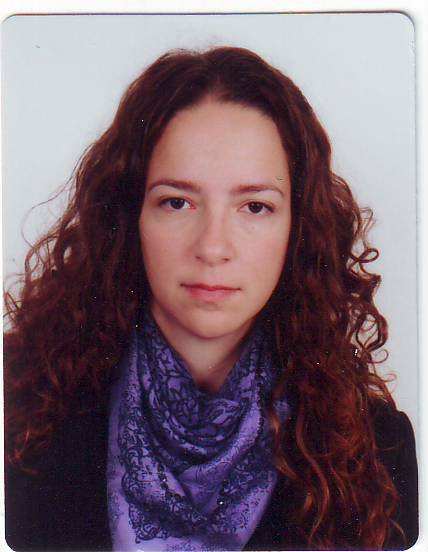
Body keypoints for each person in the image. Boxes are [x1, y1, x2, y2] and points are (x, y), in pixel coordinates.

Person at [3, 46, 418, 551]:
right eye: (177, 202)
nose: (213, 247)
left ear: (299, 228)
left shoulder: (379, 448)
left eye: (255, 206)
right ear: (129, 215)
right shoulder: (17, 408)